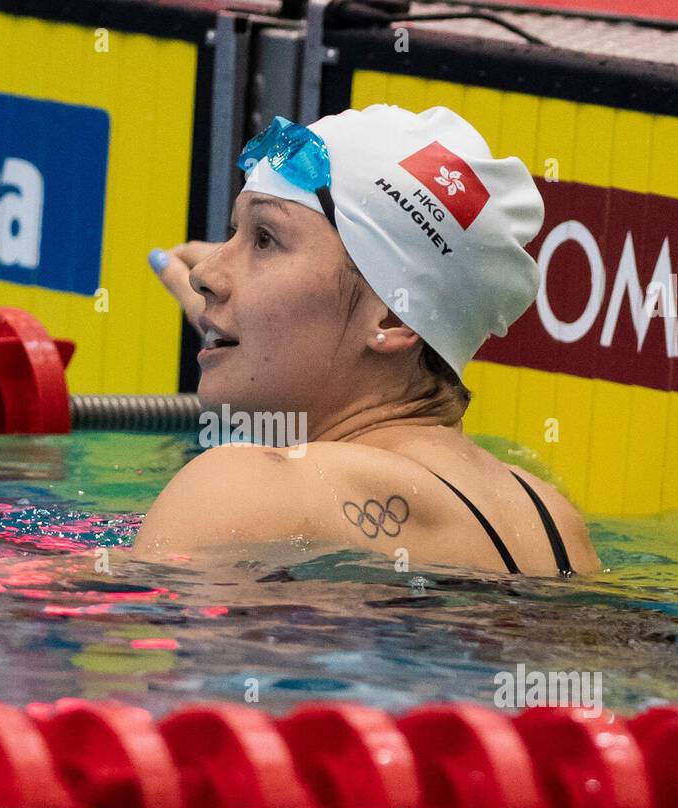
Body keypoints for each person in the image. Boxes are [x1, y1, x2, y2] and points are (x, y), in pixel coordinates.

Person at [132, 104, 599, 576]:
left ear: (393, 317)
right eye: (233, 233)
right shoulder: (554, 526)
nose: (205, 275)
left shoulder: (241, 490)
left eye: (266, 239)